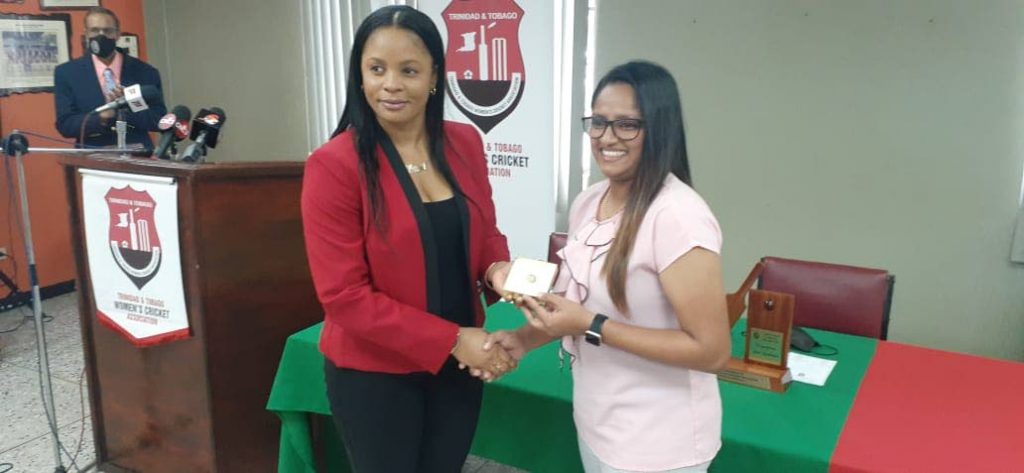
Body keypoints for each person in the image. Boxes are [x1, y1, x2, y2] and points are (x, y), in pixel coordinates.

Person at [486, 61, 732, 473]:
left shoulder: (677, 216)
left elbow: (712, 351)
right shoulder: (589, 201)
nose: (606, 138)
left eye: (626, 125)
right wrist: (523, 339)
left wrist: (590, 324)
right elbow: (574, 303)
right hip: (599, 424)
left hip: (659, 444)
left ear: (659, 128)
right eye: (598, 122)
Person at [300, 5, 515, 472]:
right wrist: (453, 339)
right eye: (376, 69)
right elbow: (344, 297)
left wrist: (498, 269)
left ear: (435, 75)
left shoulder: (465, 143)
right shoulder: (334, 165)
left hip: (458, 368)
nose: (391, 84)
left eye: (409, 70)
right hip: (375, 375)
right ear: (360, 75)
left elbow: (485, 235)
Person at [53, 7, 166, 149]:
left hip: (138, 155)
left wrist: (131, 104)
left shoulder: (145, 71)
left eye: (108, 31)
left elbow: (158, 120)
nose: (101, 36)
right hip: (93, 157)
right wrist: (102, 118)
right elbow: (65, 125)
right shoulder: (67, 73)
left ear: (118, 34)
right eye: (94, 30)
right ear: (86, 34)